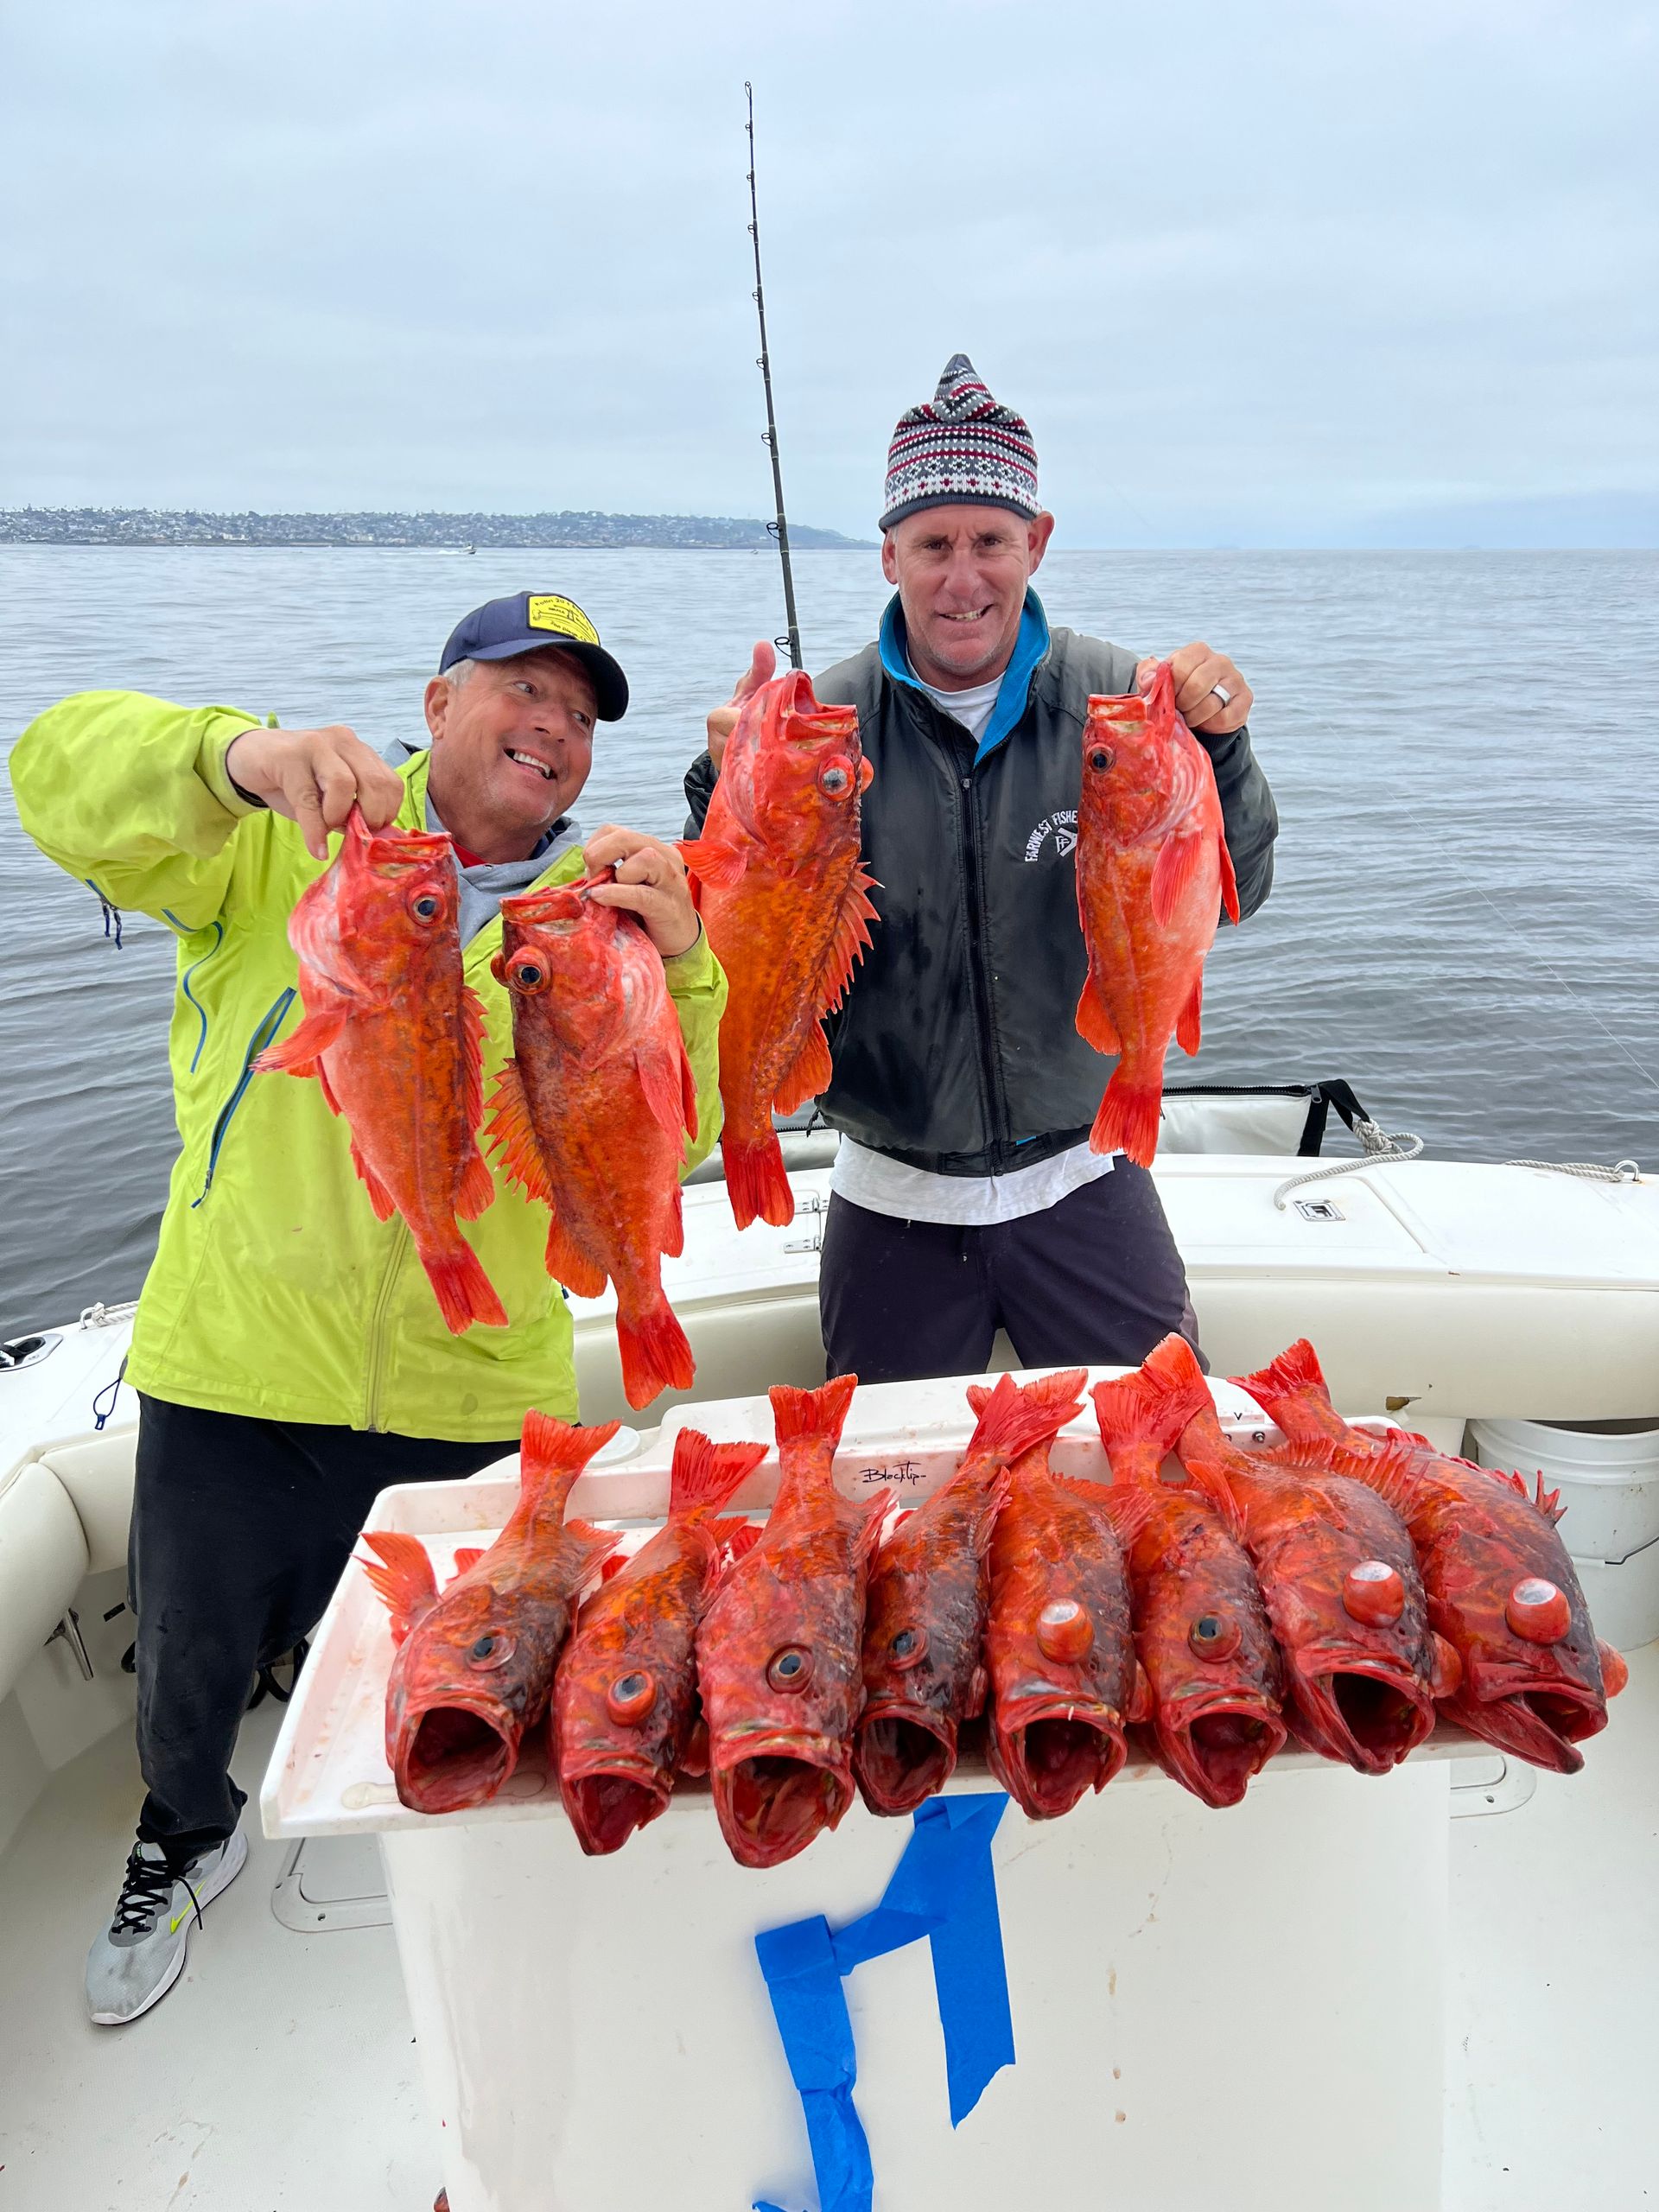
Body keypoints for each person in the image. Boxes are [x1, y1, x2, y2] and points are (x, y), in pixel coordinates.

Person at [10, 590, 725, 2025]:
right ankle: (189, 1831)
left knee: (480, 1666)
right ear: (438, 699)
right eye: (521, 691)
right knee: (193, 1663)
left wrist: (692, 960)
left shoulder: (602, 908)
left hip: (476, 1372)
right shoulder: (279, 844)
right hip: (238, 1357)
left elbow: (679, 1126)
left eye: (581, 718)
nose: (553, 729)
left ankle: (476, 1866)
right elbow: (54, 772)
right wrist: (228, 757)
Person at [687, 354, 1277, 1384]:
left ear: (1037, 543)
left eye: (992, 540)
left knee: (1170, 1456)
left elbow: (1243, 887)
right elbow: (730, 944)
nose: (964, 577)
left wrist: (1220, 744)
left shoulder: (1119, 700)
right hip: (891, 1199)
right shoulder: (819, 723)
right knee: (892, 1498)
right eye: (933, 544)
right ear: (889, 556)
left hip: (1089, 1171)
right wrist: (720, 785)